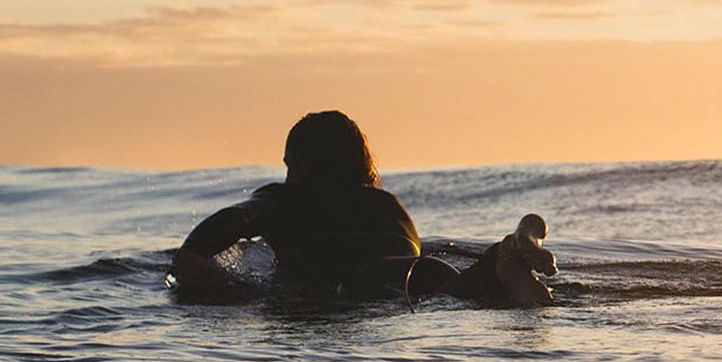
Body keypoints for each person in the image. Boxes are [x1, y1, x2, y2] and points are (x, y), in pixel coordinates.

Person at [168, 110, 556, 306]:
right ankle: (509, 256)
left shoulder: (287, 198)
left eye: (288, 165)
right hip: (429, 271)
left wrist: (193, 258)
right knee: (467, 292)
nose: (286, 175)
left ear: (301, 165)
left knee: (441, 295)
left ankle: (505, 263)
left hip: (364, 283)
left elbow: (226, 223)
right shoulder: (388, 205)